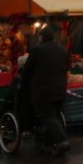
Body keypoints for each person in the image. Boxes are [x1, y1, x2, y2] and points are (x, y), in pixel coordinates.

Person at [21, 27, 71, 155]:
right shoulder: (63, 50)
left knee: (47, 116)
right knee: (55, 116)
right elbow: (66, 68)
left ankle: (62, 141)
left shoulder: (37, 50)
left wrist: (23, 82)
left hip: (43, 91)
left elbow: (27, 70)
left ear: (42, 37)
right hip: (60, 89)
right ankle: (48, 143)